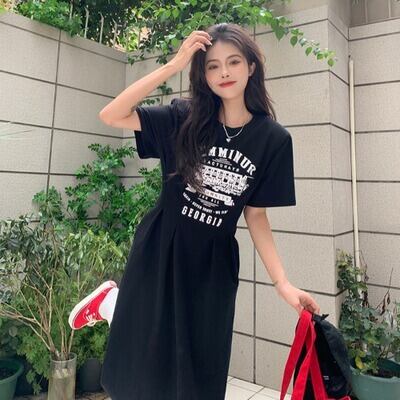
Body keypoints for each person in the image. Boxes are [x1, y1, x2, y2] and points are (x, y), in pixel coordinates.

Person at [68, 22, 321, 399]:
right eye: (212, 65)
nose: (224, 72)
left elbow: (255, 215)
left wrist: (282, 283)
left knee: (201, 369)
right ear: (203, 74)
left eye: (234, 62)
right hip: (163, 245)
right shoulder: (183, 117)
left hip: (213, 261)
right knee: (144, 369)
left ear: (251, 67)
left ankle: (115, 303)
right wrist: (173, 65)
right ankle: (116, 303)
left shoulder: (273, 140)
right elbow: (112, 114)